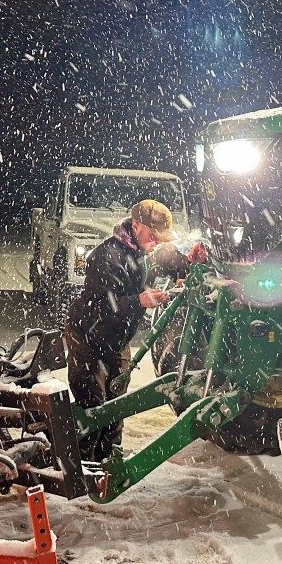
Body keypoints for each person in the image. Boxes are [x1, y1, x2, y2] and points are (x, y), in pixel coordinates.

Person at [65, 198, 208, 462]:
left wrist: (191, 261)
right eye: (153, 234)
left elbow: (171, 262)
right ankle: (82, 467)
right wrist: (139, 301)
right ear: (136, 225)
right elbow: (102, 308)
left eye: (160, 237)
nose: (156, 241)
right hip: (88, 338)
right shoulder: (106, 257)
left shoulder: (148, 251)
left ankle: (109, 460)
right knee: (93, 407)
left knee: (116, 405)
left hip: (117, 341)